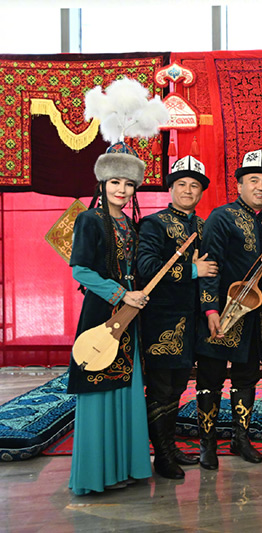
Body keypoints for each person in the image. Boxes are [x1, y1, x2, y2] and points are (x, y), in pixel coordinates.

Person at [67, 142, 152, 495]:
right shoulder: (89, 220)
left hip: (131, 317)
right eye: (115, 182)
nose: (122, 190)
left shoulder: (131, 225)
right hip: (101, 314)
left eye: (129, 184)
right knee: (99, 388)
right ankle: (96, 475)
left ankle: (124, 468)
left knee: (125, 387)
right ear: (102, 183)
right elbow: (81, 271)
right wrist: (121, 294)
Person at [195, 150, 262, 469]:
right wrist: (210, 310)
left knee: (246, 378)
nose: (260, 187)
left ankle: (240, 439)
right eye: (253, 180)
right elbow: (209, 268)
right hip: (220, 312)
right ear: (240, 184)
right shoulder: (221, 217)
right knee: (211, 378)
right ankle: (207, 443)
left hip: (252, 315)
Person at [137, 155, 217, 479]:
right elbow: (145, 268)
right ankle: (162, 456)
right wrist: (193, 270)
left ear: (201, 191)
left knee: (178, 387)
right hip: (161, 320)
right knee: (161, 388)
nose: (187, 190)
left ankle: (169, 447)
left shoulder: (203, 226)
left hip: (192, 321)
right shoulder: (154, 224)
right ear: (171, 189)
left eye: (194, 185)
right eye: (181, 184)